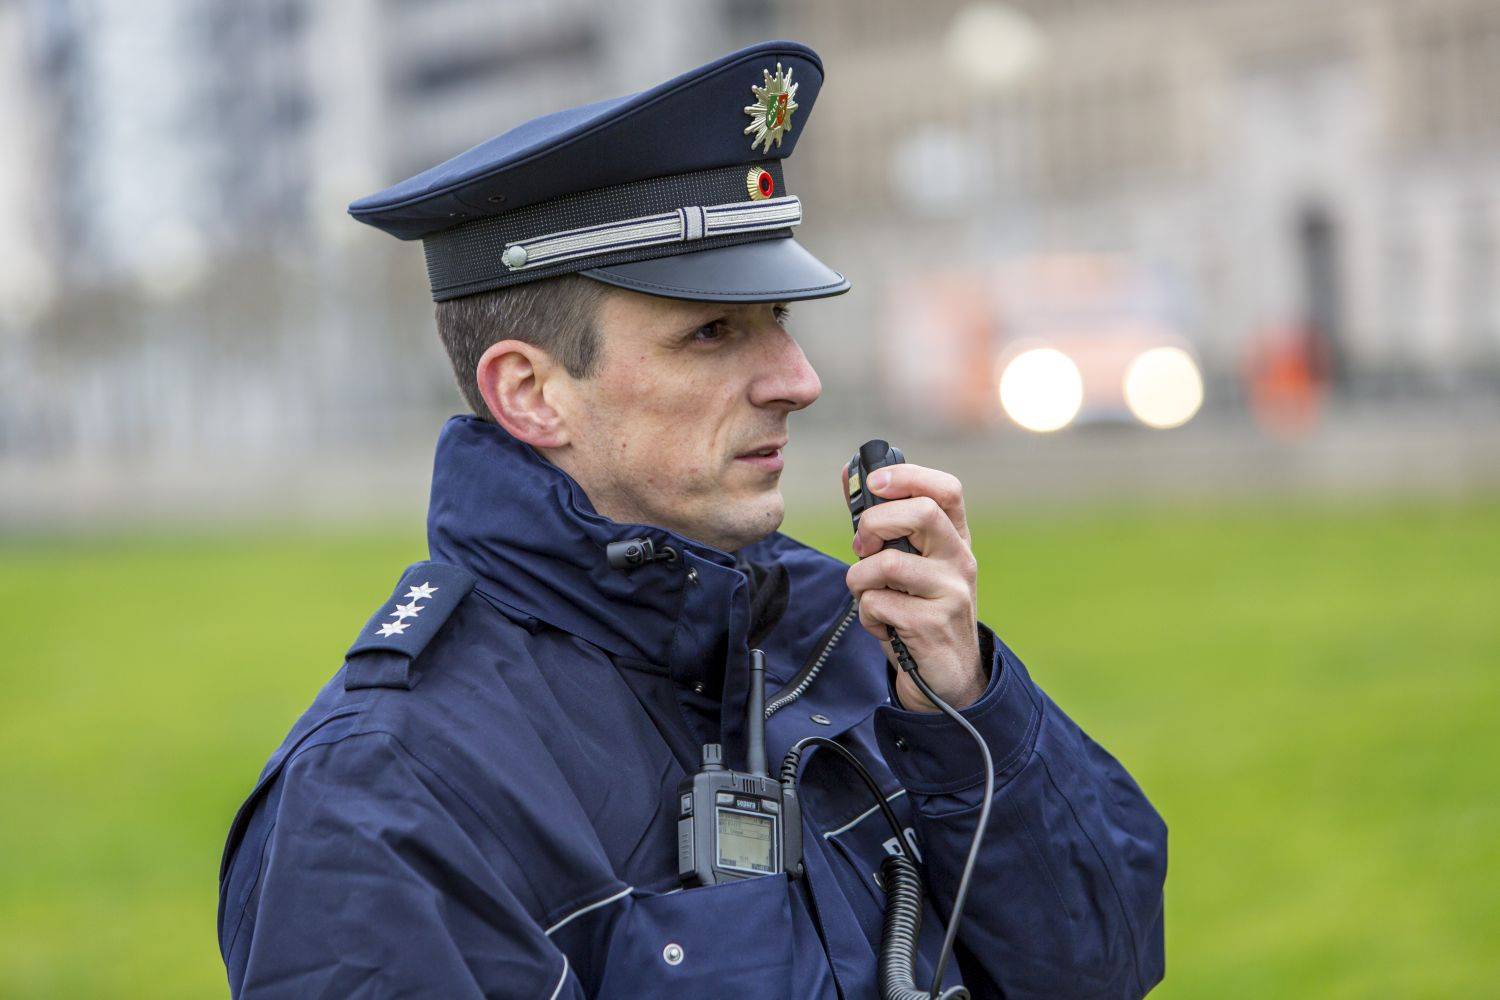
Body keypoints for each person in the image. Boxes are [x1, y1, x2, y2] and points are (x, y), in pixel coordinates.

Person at [217, 41, 1167, 999]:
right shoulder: (382, 797)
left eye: (781, 320)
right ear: (531, 392)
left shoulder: (853, 636)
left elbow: (1104, 969)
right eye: (712, 333)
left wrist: (967, 713)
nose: (799, 381)